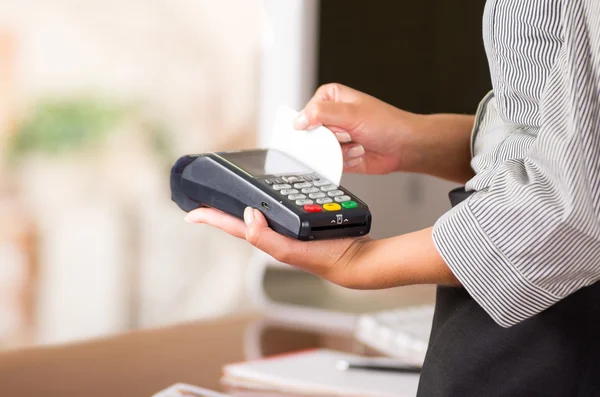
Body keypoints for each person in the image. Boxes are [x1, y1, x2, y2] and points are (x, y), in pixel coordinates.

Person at [185, 1, 600, 395]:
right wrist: (413, 141)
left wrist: (359, 263)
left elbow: (566, 210)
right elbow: (554, 136)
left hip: (552, 335)